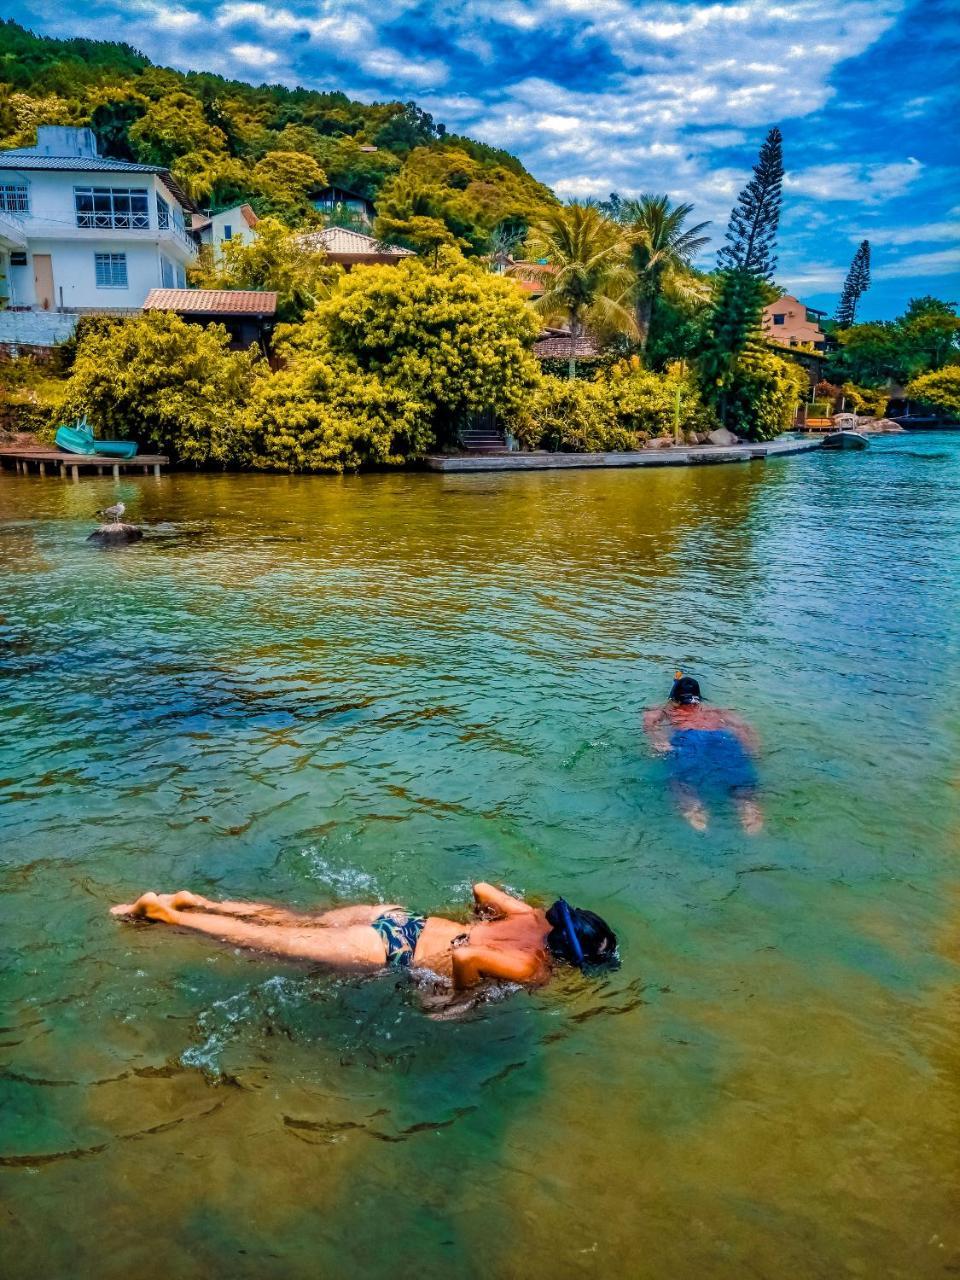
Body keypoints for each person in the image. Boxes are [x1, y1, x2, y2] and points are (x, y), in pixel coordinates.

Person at [110, 884, 618, 992]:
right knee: (262, 943)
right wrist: (459, 1000)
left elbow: (481, 888)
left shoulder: (533, 914)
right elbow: (473, 959)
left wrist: (473, 923)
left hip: (400, 916)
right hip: (388, 951)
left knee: (291, 922)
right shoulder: (536, 968)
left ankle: (198, 901)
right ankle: (164, 914)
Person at [642, 672, 762, 834]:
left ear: (676, 698)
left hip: (690, 737)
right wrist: (752, 751)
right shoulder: (717, 711)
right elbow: (744, 728)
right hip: (723, 738)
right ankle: (748, 809)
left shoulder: (668, 711)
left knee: (681, 781)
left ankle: (694, 809)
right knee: (740, 784)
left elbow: (650, 720)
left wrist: (659, 739)